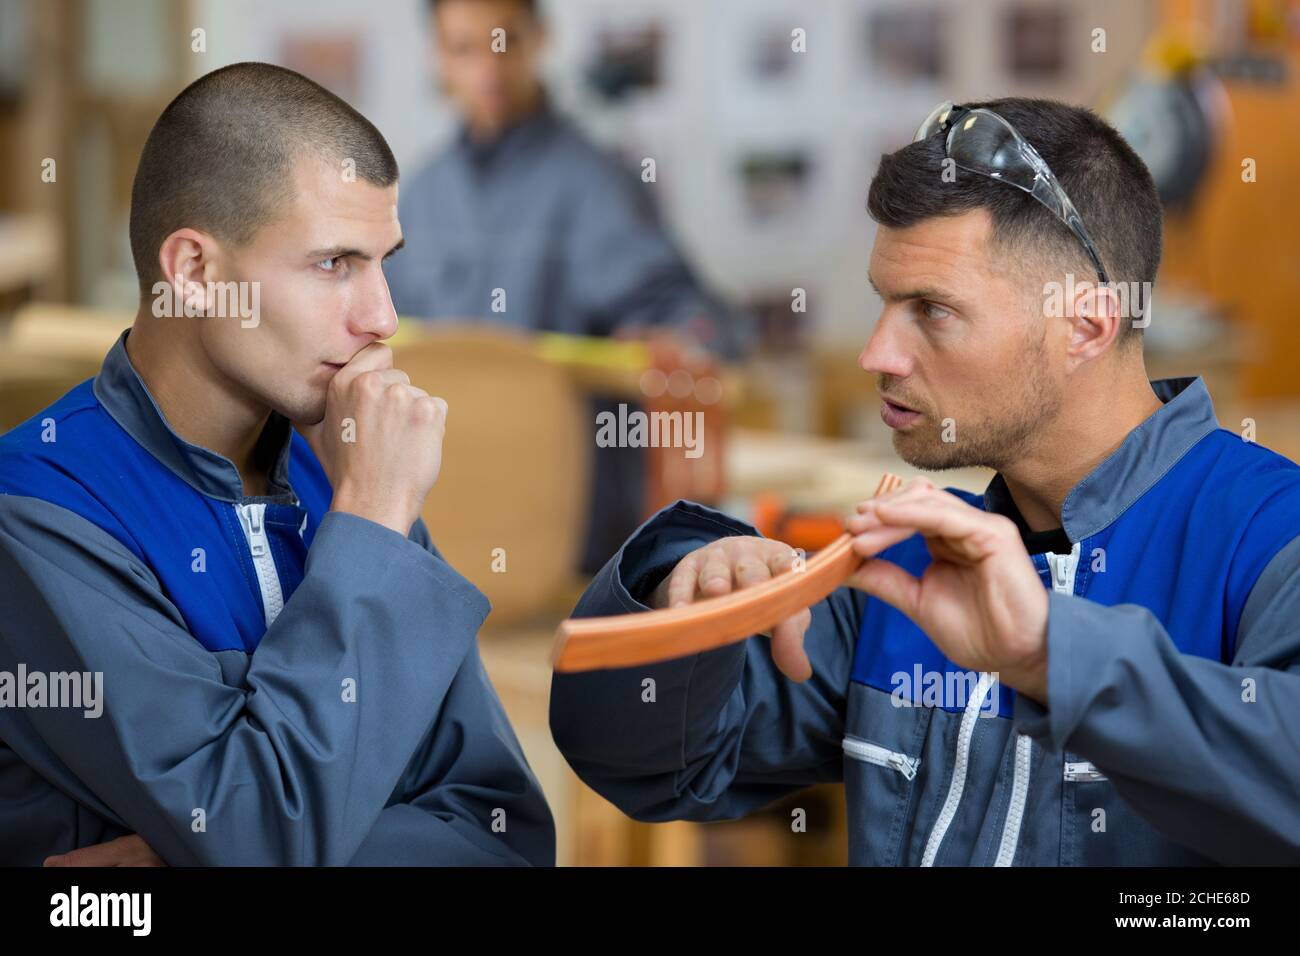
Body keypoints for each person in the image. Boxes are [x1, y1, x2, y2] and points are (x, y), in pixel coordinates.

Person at [549, 97, 1300, 865]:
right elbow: (636, 764)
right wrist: (683, 596)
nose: (878, 352)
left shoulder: (1275, 539)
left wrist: (1052, 656)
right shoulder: (911, 571)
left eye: (932, 310)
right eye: (884, 302)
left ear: (1085, 326)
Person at [0, 62, 554, 866]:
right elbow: (260, 836)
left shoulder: (351, 476)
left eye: (383, 260)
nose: (384, 317)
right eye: (334, 264)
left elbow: (501, 833)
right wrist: (368, 525)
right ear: (194, 273)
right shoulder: (39, 511)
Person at [387, 0, 754, 570]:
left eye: (503, 41)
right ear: (438, 56)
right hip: (446, 529)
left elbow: (697, 318)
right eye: (463, 49)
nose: (487, 70)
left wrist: (679, 343)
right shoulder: (420, 194)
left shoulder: (597, 182)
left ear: (540, 40)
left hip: (573, 538)